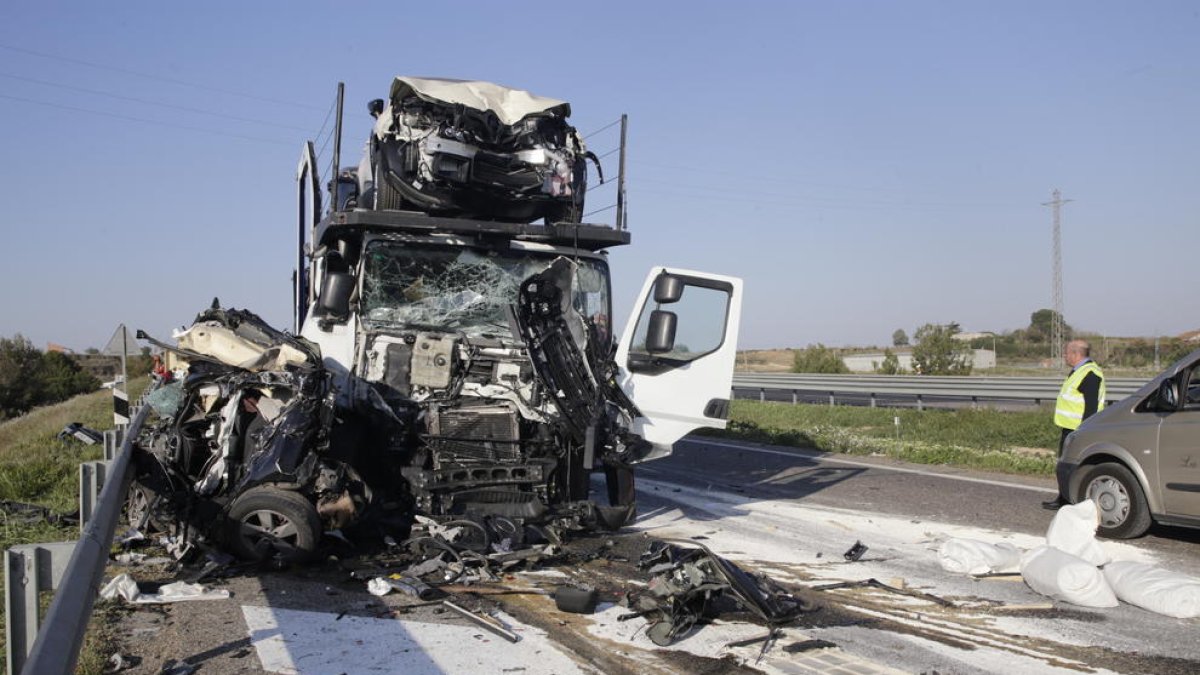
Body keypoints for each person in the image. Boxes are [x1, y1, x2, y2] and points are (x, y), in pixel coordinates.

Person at [1043, 339, 1106, 510]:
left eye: (1066, 353)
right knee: (1065, 466)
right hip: (1070, 427)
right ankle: (1064, 498)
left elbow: (1091, 407)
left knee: (1072, 466)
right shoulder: (1080, 371)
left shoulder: (1089, 374)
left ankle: (1071, 501)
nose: (1064, 356)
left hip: (1078, 430)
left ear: (1075, 354)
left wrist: (1084, 431)